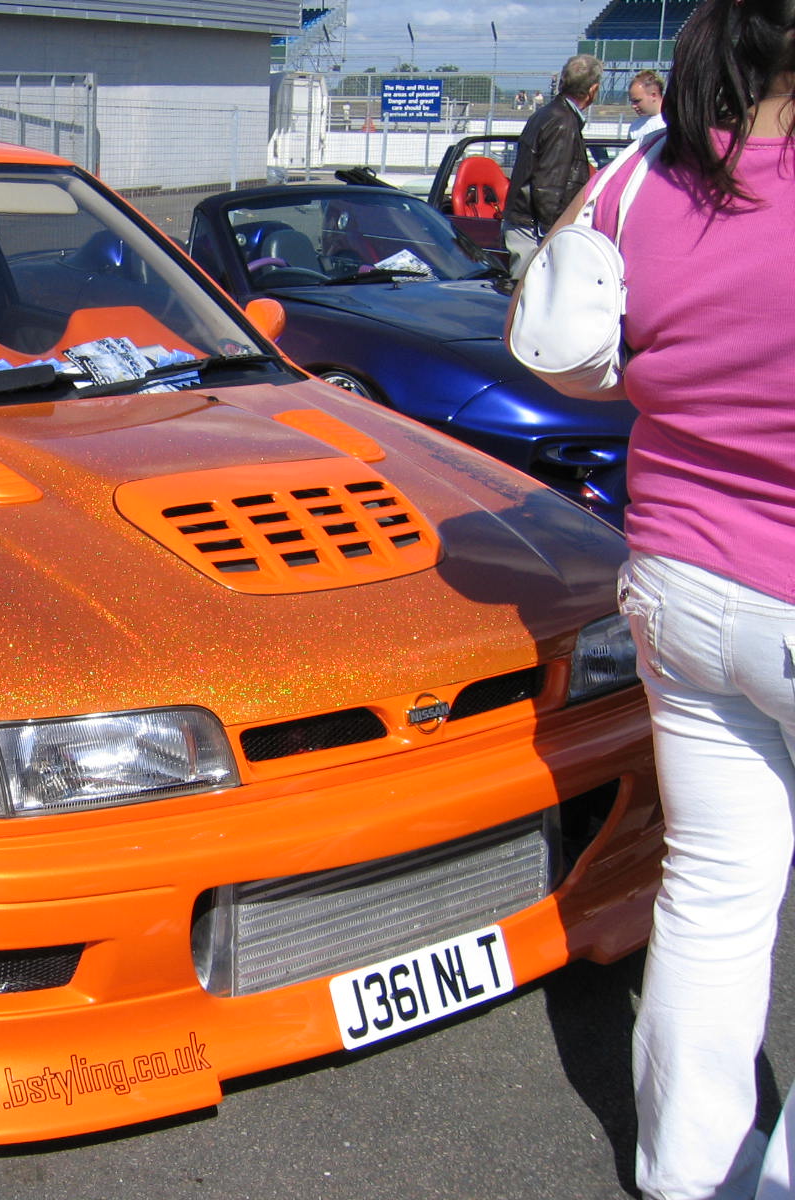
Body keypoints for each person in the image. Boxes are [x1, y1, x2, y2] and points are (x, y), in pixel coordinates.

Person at [511, 2, 795, 1196]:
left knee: (712, 896)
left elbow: (555, 342)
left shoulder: (642, 178)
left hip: (678, 582)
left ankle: (688, 1177)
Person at [501, 55, 602, 279]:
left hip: (525, 221)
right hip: (535, 228)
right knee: (532, 290)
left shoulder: (547, 114)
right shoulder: (563, 122)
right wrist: (556, 235)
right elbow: (549, 187)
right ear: (593, 90)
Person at [628, 69, 667, 140]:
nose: (633, 106)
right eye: (632, 102)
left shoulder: (672, 124)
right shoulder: (635, 126)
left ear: (653, 95)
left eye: (637, 101)